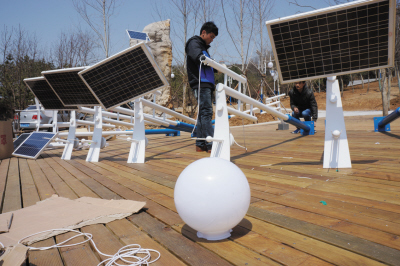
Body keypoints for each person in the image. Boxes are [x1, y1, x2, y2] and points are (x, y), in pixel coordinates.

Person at [185, 21, 218, 152]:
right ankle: (211, 145)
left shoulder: (203, 47)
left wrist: (216, 67)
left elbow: (206, 62)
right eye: (211, 37)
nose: (212, 40)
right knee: (206, 113)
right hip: (201, 82)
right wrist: (210, 62)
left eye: (213, 38)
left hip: (207, 83)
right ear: (203, 33)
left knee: (203, 114)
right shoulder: (194, 43)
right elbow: (199, 58)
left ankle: (200, 143)